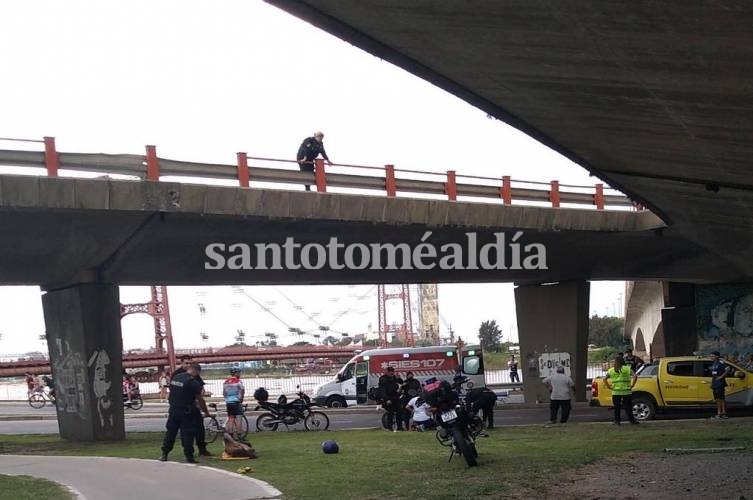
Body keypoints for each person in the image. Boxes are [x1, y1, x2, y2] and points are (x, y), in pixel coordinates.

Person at [160, 362, 205, 463]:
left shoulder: (177, 377)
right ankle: (189, 457)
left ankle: (164, 454)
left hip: (173, 410)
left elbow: (172, 392)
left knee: (170, 433)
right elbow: (200, 399)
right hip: (186, 412)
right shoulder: (193, 382)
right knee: (187, 434)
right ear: (196, 371)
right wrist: (205, 412)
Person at [172, 356, 212, 456]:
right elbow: (174, 391)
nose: (188, 365)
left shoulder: (192, 377)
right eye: (186, 363)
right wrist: (206, 412)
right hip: (183, 407)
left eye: (190, 363)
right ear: (181, 363)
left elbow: (201, 388)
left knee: (199, 428)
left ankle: (201, 449)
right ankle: (188, 452)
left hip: (192, 406)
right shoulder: (176, 375)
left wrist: (200, 392)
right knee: (185, 431)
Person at [604, 355, 638, 425]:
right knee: (628, 407)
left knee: (617, 407)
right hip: (626, 391)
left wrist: (609, 387)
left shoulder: (611, 370)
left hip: (616, 391)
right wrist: (633, 385)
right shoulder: (627, 368)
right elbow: (635, 376)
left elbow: (604, 379)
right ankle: (632, 421)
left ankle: (617, 421)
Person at [378, 367, 404, 431]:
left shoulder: (394, 377)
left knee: (399, 412)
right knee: (390, 413)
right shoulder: (383, 379)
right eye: (390, 371)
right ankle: (390, 427)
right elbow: (382, 390)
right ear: (386, 372)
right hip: (388, 398)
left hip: (396, 397)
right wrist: (386, 399)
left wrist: (398, 378)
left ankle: (399, 427)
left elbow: (401, 382)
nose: (392, 373)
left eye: (393, 371)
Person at [223, 368, 245, 436]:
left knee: (231, 418)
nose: (239, 374)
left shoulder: (226, 382)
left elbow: (224, 393)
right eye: (238, 373)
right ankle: (239, 435)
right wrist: (241, 398)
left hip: (229, 402)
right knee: (239, 418)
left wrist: (227, 399)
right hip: (237, 401)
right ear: (236, 373)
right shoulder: (238, 381)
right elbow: (242, 390)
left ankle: (231, 435)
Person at [710, 350, 731, 420]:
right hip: (714, 383)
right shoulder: (714, 363)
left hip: (720, 383)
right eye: (711, 356)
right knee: (717, 399)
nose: (711, 357)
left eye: (712, 356)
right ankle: (719, 413)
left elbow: (728, 369)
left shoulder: (720, 362)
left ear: (717, 356)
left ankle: (724, 413)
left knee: (721, 398)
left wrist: (722, 376)